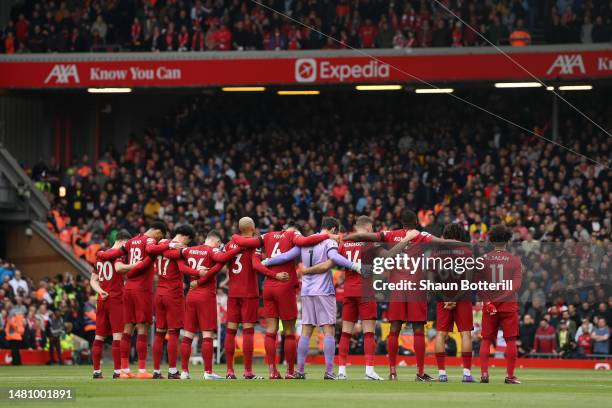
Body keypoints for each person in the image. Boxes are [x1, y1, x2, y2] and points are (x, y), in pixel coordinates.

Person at [343, 209, 456, 381]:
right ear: (416, 222)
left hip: (396, 287)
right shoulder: (421, 235)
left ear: (400, 221)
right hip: (415, 287)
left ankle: (393, 371)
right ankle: (419, 373)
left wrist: (344, 238)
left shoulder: (390, 234)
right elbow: (443, 242)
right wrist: (465, 244)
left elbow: (362, 237)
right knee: (418, 329)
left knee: (394, 329)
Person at [263, 217, 364, 379]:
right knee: (329, 329)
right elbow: (335, 258)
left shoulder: (305, 241)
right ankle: (329, 372)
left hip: (307, 291)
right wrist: (354, 265)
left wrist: (267, 261)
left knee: (306, 330)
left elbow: (286, 256)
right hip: (323, 290)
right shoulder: (329, 242)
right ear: (333, 230)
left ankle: (300, 371)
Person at [230, 220, 329, 379]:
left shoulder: (267, 235)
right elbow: (304, 241)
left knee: (271, 331)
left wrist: (234, 236)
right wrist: (326, 235)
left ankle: (272, 371)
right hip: (285, 285)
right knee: (289, 332)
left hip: (268, 286)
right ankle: (290, 372)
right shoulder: (293, 235)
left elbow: (245, 242)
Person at [301, 216, 383, 380]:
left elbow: (332, 263)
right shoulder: (371, 244)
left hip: (349, 291)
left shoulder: (344, 243)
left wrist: (307, 270)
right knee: (368, 332)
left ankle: (341, 371)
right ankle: (369, 371)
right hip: (366, 290)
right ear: (368, 228)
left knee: (345, 333)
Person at [115, 221, 182, 379]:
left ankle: (124, 370)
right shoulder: (150, 240)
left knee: (127, 329)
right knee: (142, 328)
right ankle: (142, 370)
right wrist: (170, 245)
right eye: (161, 237)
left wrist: (125, 267)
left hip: (128, 287)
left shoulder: (131, 241)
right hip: (142, 290)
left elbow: (118, 254)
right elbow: (152, 249)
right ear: (158, 233)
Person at [173, 229, 241, 380]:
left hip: (190, 294)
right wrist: (239, 247)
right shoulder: (211, 251)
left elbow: (180, 267)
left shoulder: (189, 250)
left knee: (189, 334)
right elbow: (223, 257)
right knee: (207, 334)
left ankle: (184, 372)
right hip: (206, 296)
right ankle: (208, 372)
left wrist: (195, 273)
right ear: (216, 242)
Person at [223, 217, 285, 379]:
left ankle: (230, 371)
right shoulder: (254, 245)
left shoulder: (230, 245)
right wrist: (275, 275)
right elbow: (256, 265)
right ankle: (248, 371)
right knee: (248, 332)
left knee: (231, 331)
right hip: (249, 293)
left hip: (232, 293)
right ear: (252, 227)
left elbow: (222, 262)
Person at [151, 225, 199, 379]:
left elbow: (157, 250)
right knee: (173, 332)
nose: (187, 244)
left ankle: (156, 371)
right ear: (186, 237)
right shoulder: (179, 250)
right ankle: (172, 371)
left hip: (159, 292)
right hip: (173, 294)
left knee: (159, 332)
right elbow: (183, 267)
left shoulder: (162, 243)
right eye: (188, 241)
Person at [477, 224, 523, 384]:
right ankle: (510, 376)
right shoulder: (515, 260)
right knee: (510, 340)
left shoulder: (483, 259)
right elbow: (516, 286)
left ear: (491, 241)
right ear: (508, 241)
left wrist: (488, 301)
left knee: (486, 340)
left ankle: (484, 374)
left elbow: (478, 284)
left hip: (489, 306)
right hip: (508, 305)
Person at [432, 223, 475, 383]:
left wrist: (445, 299)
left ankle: (442, 373)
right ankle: (466, 374)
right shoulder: (467, 253)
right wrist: (455, 299)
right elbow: (469, 280)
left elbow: (431, 280)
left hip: (442, 299)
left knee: (441, 334)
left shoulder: (436, 253)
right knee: (465, 334)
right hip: (462, 298)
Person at [89, 230, 132, 379]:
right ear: (123, 241)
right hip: (116, 299)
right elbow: (119, 269)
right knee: (117, 337)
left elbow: (92, 280)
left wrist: (100, 291)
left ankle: (96, 371)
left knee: (99, 337)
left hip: (102, 299)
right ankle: (117, 372)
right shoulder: (118, 255)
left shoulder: (101, 255)